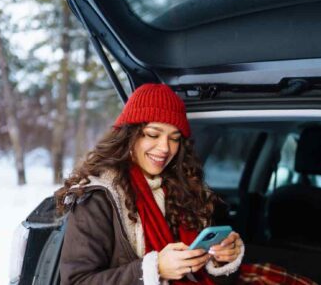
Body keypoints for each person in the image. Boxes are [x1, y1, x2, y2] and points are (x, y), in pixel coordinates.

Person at [56, 83, 244, 285]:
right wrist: (154, 270)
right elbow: (77, 281)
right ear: (129, 135)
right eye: (153, 134)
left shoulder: (186, 190)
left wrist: (221, 258)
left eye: (174, 138)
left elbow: (207, 275)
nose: (165, 148)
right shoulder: (98, 196)